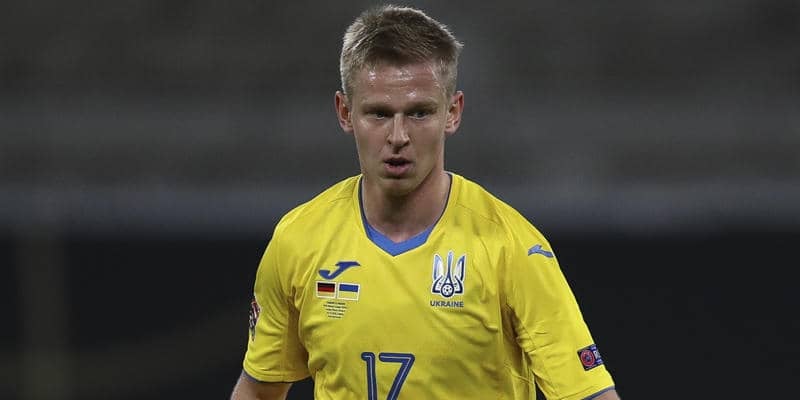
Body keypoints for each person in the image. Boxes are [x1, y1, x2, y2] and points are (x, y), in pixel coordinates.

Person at [230, 5, 620, 400]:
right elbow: (258, 390)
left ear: (452, 112)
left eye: (419, 113)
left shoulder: (511, 248)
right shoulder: (299, 240)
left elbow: (590, 394)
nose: (398, 136)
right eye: (379, 114)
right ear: (345, 113)